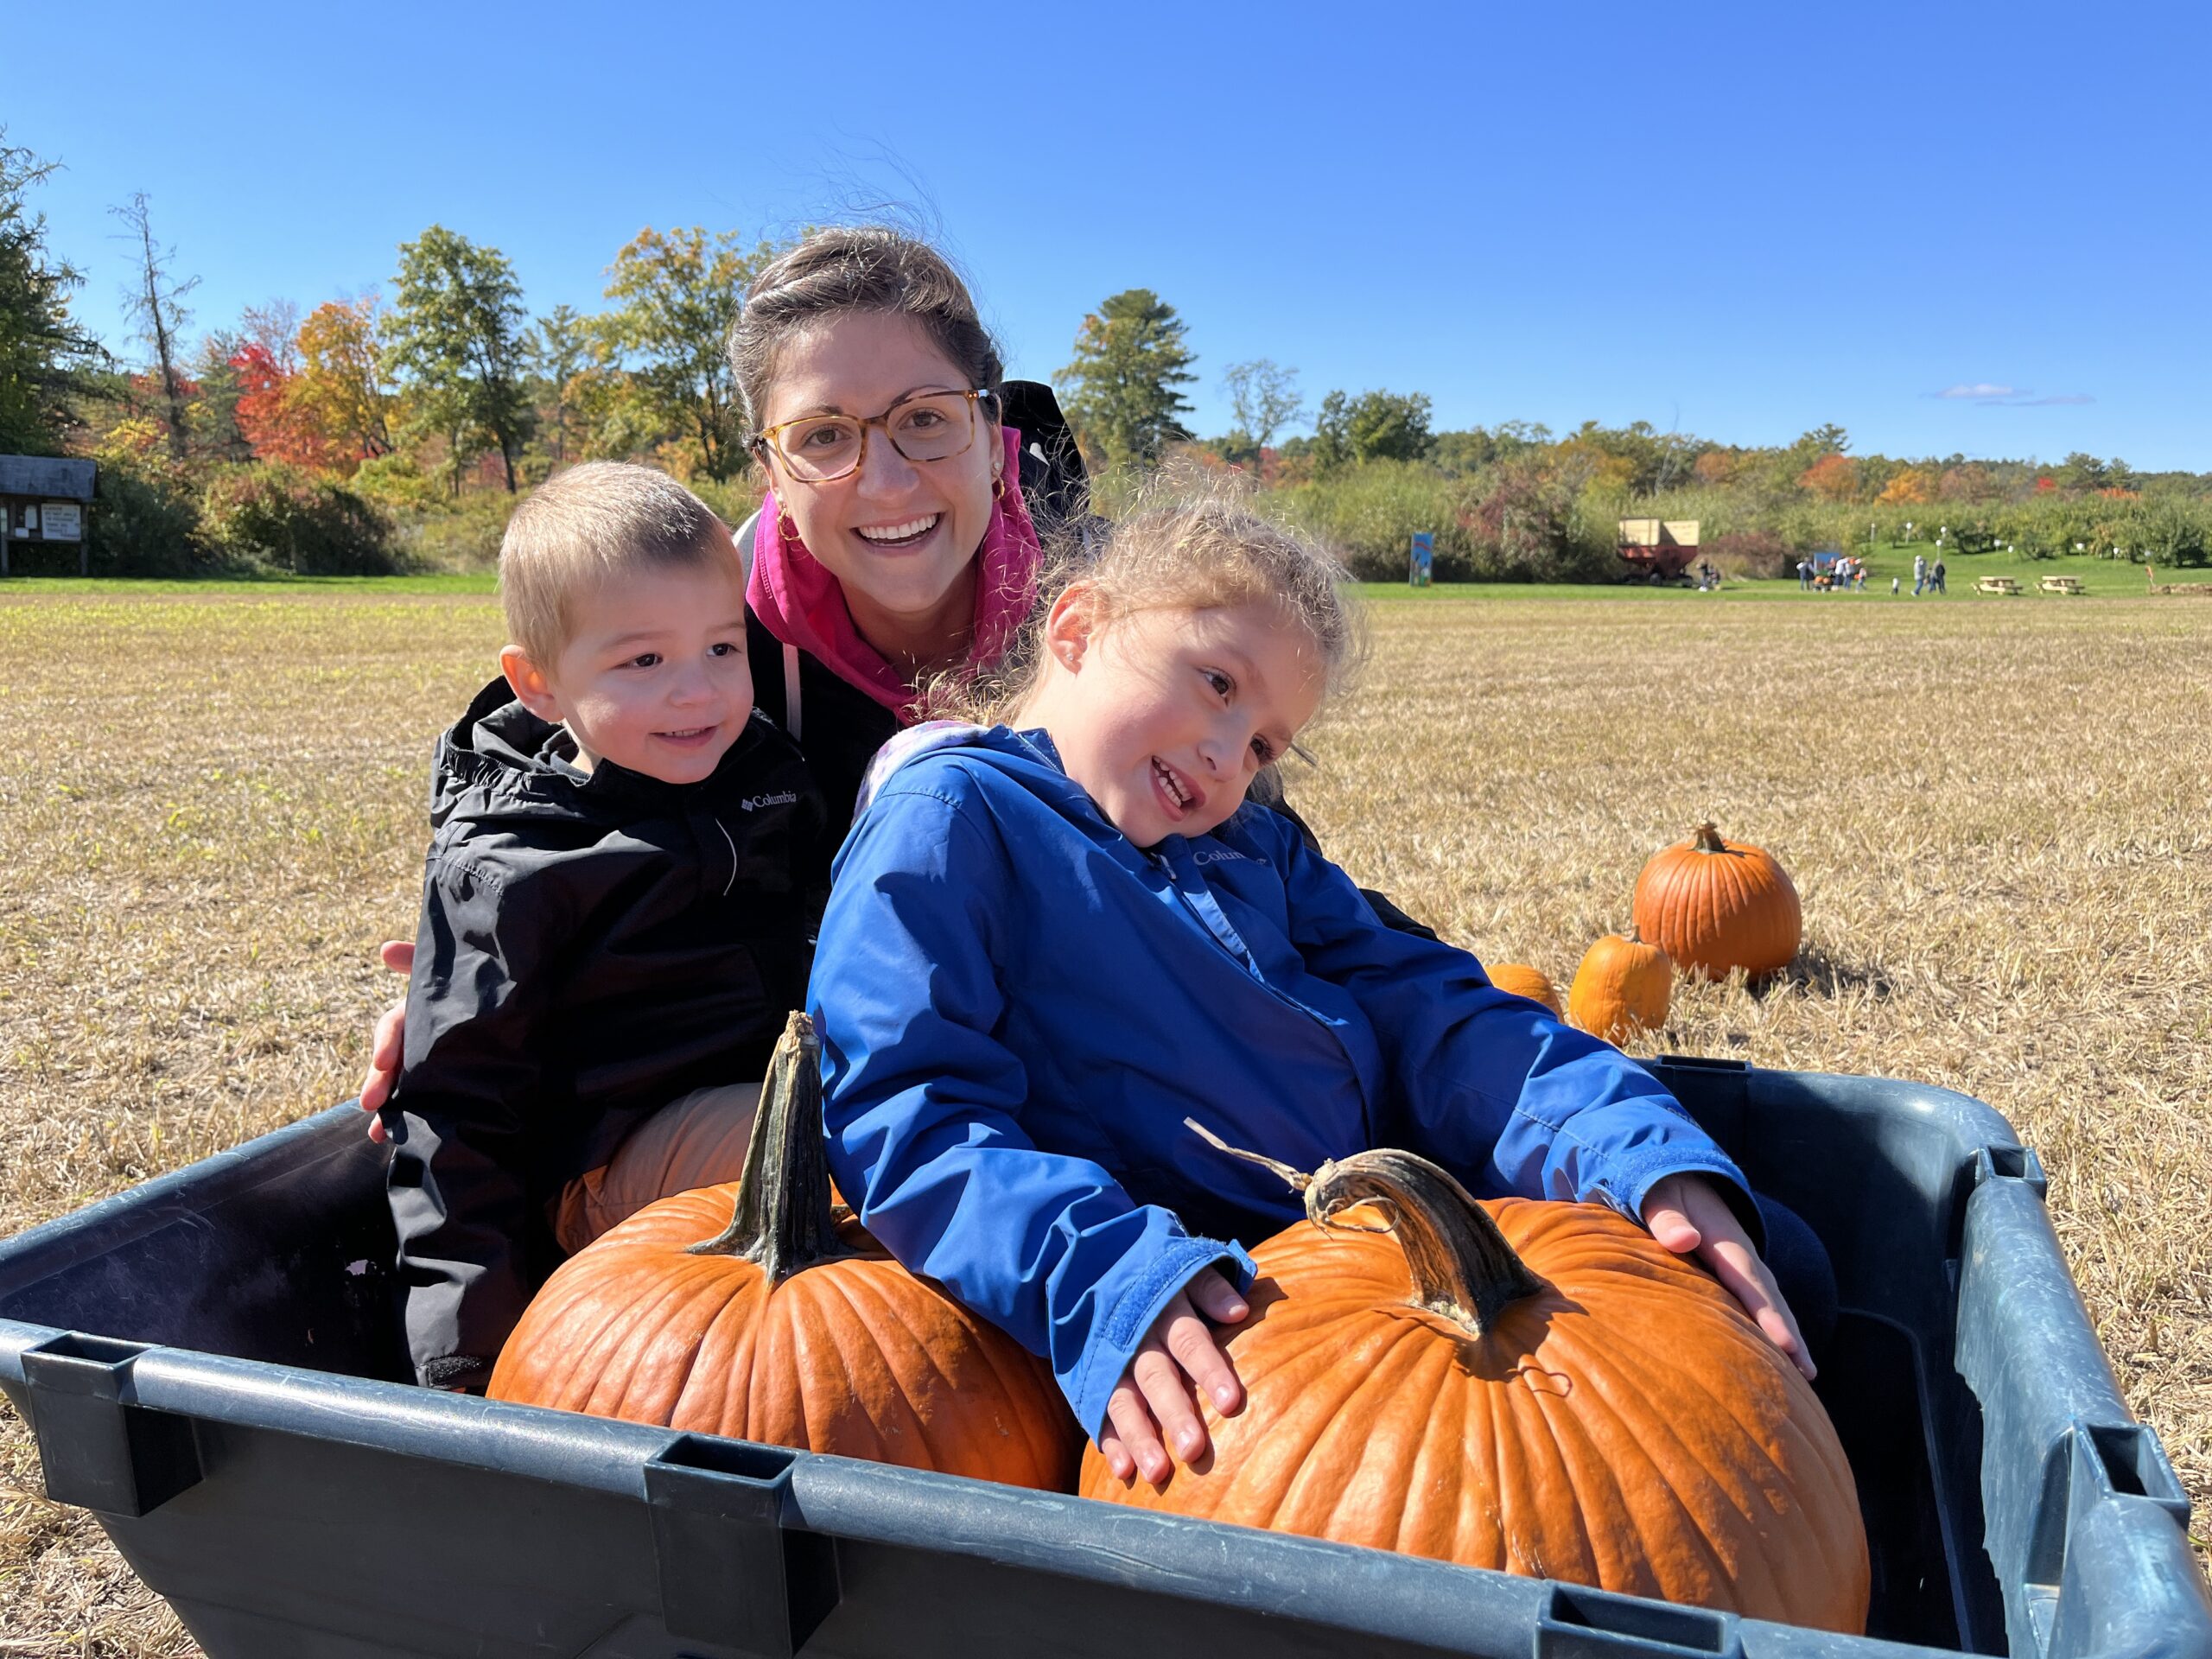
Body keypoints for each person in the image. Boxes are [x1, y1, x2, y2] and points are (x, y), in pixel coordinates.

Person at [808, 483, 1831, 1487]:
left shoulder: (1257, 848)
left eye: (1262, 743)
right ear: (1078, 629)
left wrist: (1623, 1145)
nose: (1227, 757)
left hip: (1393, 1232)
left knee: (1770, 1255)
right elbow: (908, 1107)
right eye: (1217, 683)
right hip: (1208, 1282)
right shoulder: (955, 818)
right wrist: (1102, 1273)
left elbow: (1436, 1013)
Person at [381, 463, 826, 1390]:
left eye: (722, 647)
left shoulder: (767, 776)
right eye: (644, 662)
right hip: (607, 1161)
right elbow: (456, 1105)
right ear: (539, 684)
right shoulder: (514, 861)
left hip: (768, 1085)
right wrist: (467, 1352)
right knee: (857, 1142)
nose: (699, 691)